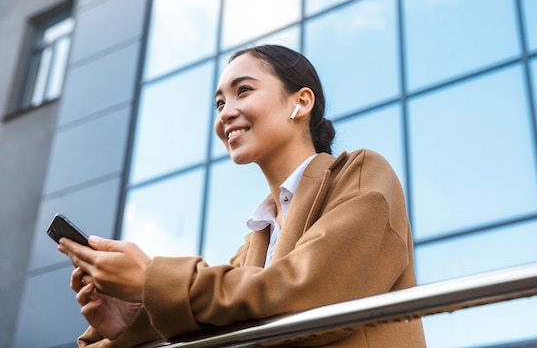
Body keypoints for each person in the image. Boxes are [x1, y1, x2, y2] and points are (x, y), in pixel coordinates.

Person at [59, 44, 427, 348]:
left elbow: (310, 298)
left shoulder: (361, 174)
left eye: (243, 91)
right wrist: (131, 320)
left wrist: (151, 280)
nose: (226, 114)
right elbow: (227, 316)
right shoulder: (253, 245)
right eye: (219, 104)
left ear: (300, 102)